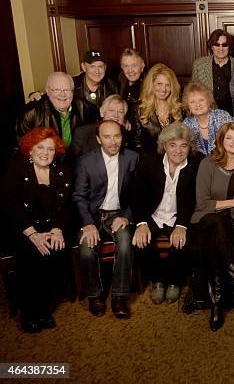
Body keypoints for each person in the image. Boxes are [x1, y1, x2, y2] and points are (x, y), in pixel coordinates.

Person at [2, 128, 73, 333]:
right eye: (40, 147)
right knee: (32, 254)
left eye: (50, 149)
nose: (45, 152)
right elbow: (8, 204)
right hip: (22, 225)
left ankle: (42, 308)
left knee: (55, 249)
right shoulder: (17, 166)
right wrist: (32, 234)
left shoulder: (63, 169)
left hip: (51, 225)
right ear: (30, 149)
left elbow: (68, 205)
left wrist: (58, 229)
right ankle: (30, 311)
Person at [131, 122, 203, 305]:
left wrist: (181, 225)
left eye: (183, 145)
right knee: (141, 242)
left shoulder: (197, 163)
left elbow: (193, 199)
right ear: (164, 146)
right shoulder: (148, 161)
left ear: (190, 147)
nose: (178, 151)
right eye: (172, 145)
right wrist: (141, 224)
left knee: (181, 243)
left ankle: (174, 282)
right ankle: (158, 280)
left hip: (179, 216)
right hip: (153, 215)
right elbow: (137, 196)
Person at [74, 120, 139, 319]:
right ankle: (94, 295)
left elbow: (138, 194)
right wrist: (88, 224)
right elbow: (79, 196)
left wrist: (126, 217)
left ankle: (119, 296)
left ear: (122, 137)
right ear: (98, 139)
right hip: (93, 215)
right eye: (107, 137)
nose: (113, 142)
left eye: (117, 136)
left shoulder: (132, 158)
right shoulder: (86, 161)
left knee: (126, 244)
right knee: (86, 250)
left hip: (119, 214)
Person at [191, 122, 234, 331]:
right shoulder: (208, 164)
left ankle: (216, 305)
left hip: (232, 223)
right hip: (205, 219)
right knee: (217, 224)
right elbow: (202, 203)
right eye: (229, 138)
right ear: (221, 142)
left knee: (216, 241)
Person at [16, 72, 98, 146]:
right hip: (46, 160)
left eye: (67, 90)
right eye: (56, 90)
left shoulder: (86, 108)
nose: (62, 95)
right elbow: (23, 147)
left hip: (78, 160)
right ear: (47, 91)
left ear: (73, 91)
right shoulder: (31, 113)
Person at [132, 63, 183, 154]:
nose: (163, 89)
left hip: (177, 159)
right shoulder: (139, 109)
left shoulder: (180, 108)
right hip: (150, 162)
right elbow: (137, 144)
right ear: (151, 85)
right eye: (159, 84)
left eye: (167, 85)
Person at [192, 29, 234, 115]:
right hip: (207, 114)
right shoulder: (199, 65)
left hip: (232, 114)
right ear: (212, 46)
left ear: (229, 47)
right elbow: (192, 92)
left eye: (224, 45)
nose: (220, 48)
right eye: (217, 44)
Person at [182, 82, 234, 155]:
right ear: (188, 106)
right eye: (192, 102)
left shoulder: (222, 116)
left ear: (209, 101)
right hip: (199, 164)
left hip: (225, 160)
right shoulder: (186, 124)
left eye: (201, 100)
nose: (197, 104)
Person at [117, 48, 146, 113]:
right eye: (126, 66)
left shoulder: (149, 85)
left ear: (142, 66)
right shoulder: (118, 82)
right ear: (122, 67)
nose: (130, 70)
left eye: (134, 66)